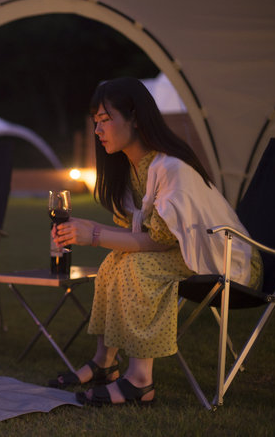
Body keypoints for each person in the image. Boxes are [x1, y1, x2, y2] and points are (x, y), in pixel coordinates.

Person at [47, 77, 262, 406]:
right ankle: (104, 364)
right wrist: (91, 228)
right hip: (185, 252)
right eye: (95, 122)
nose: (98, 130)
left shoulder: (170, 167)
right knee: (114, 261)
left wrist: (92, 235)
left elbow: (160, 242)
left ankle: (141, 380)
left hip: (228, 258)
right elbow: (136, 235)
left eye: (106, 120)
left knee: (139, 265)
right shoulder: (130, 168)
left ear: (134, 118)